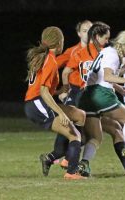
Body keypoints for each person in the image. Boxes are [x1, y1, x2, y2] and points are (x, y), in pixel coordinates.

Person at [63, 23, 125, 176]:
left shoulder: (107, 52)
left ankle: (84, 164)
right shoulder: (112, 54)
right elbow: (106, 76)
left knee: (96, 137)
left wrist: (119, 79)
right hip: (101, 94)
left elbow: (101, 75)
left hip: (87, 96)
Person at [24, 26, 87, 180]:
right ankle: (71, 171)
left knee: (80, 115)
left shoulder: (46, 57)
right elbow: (43, 92)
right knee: (75, 136)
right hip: (37, 105)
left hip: (38, 102)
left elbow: (44, 89)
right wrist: (60, 113)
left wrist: (60, 91)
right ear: (59, 43)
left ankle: (59, 156)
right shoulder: (50, 61)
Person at [39, 20, 92, 175]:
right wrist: (62, 90)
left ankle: (57, 158)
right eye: (84, 30)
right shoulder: (72, 51)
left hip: (90, 94)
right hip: (75, 93)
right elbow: (55, 65)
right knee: (73, 133)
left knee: (87, 133)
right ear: (78, 33)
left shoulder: (100, 51)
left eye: (91, 30)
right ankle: (70, 163)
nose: (88, 33)